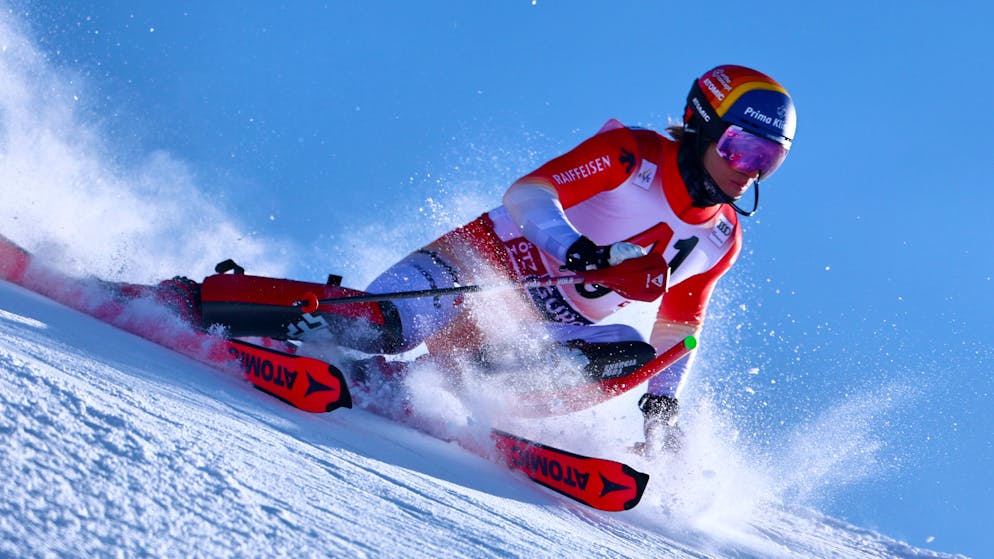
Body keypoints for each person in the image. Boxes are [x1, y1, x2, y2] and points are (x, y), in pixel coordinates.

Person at [164, 64, 797, 454]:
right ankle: (195, 301)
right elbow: (527, 194)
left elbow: (680, 329)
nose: (748, 173)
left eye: (768, 161)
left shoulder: (720, 242)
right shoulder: (634, 156)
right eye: (741, 150)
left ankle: (422, 387)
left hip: (539, 331)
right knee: (376, 325)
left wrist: (662, 409)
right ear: (702, 124)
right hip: (484, 269)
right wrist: (579, 250)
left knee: (632, 350)